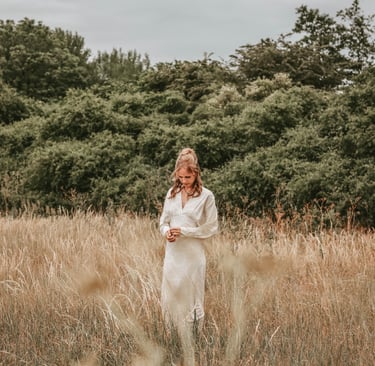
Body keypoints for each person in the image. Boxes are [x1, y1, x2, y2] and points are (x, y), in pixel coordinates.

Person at [159, 148, 219, 327]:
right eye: (180, 177)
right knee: (171, 293)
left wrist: (185, 231)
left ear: (196, 174)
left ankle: (194, 337)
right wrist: (166, 232)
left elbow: (211, 227)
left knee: (192, 294)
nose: (184, 181)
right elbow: (163, 222)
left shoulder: (206, 196)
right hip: (173, 254)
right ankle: (171, 336)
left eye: (188, 177)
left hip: (193, 255)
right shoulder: (171, 194)